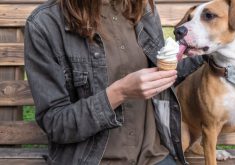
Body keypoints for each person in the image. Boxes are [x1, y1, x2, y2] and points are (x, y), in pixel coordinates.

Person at [24, 0, 207, 164]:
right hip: (92, 160)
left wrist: (210, 50)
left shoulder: (141, 9)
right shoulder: (45, 24)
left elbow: (161, 75)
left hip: (153, 156)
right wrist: (118, 93)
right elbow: (56, 124)